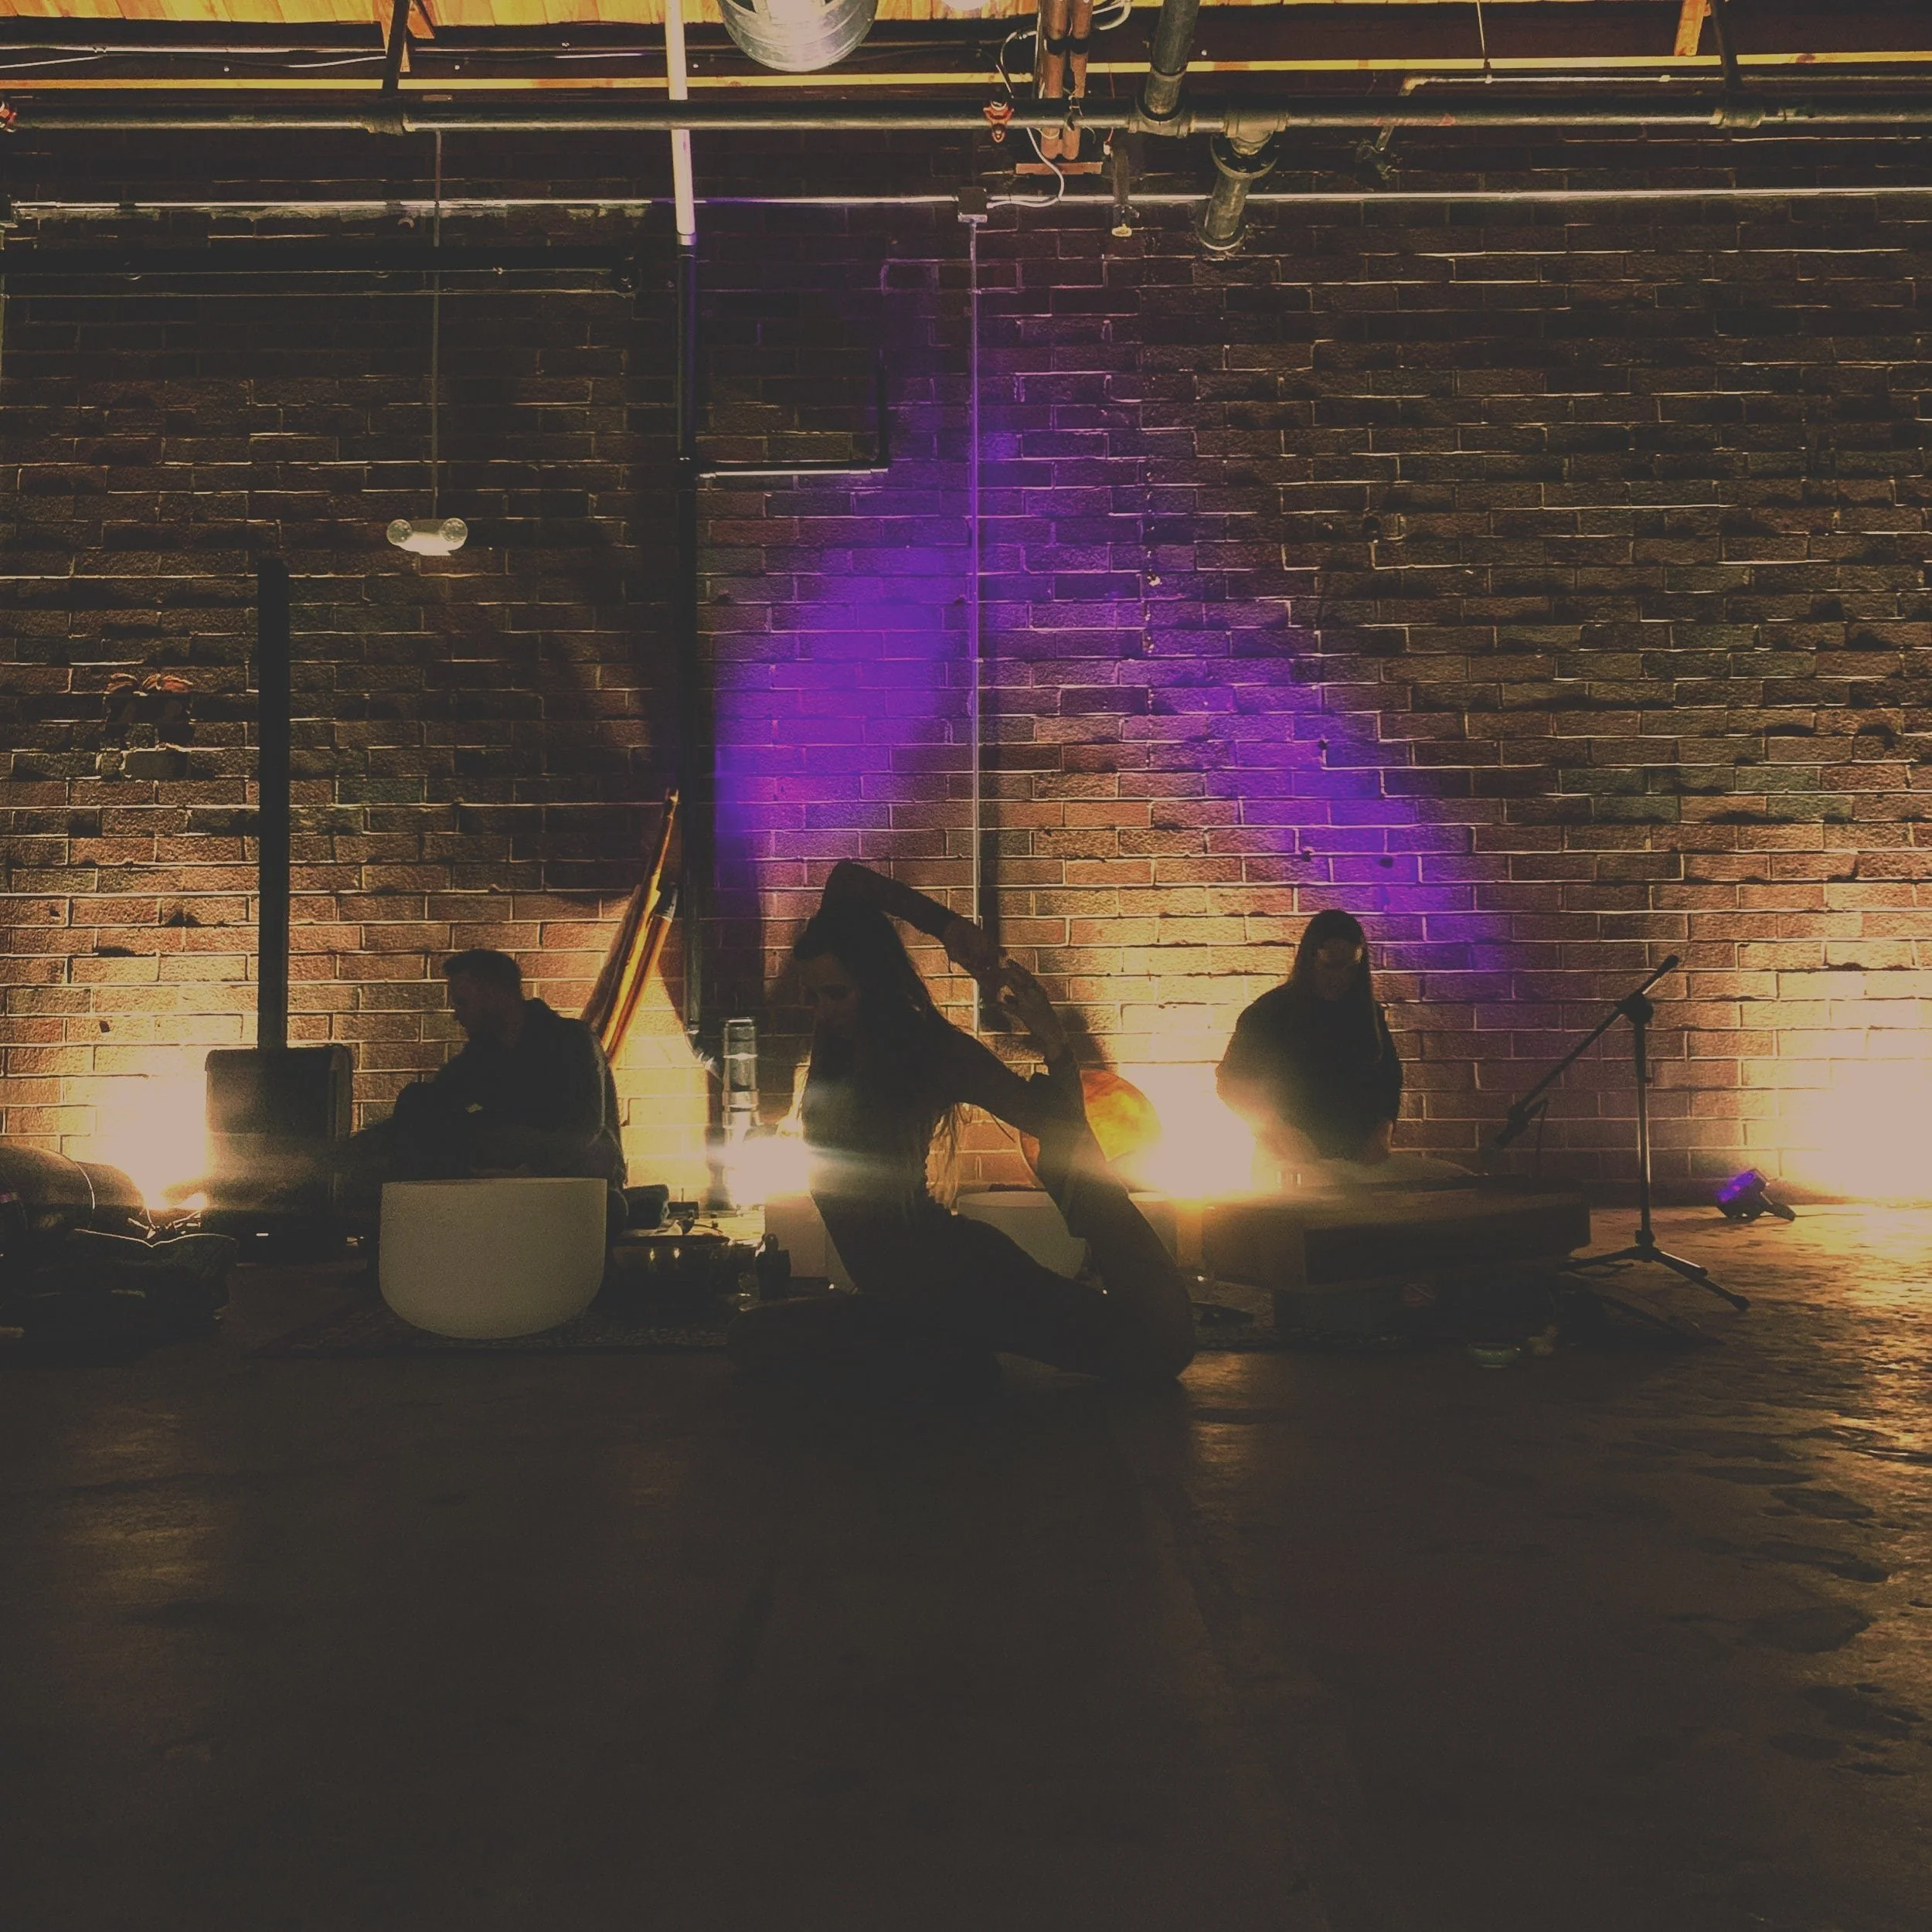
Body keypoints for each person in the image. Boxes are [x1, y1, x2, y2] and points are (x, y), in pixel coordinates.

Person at [728, 862, 1195, 1387]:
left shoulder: (933, 1051)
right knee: (752, 1341)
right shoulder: (836, 1042)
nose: (823, 1011)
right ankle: (946, 1356)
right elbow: (845, 881)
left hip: (962, 1278)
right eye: (812, 996)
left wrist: (1054, 1043)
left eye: (836, 994)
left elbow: (1053, 1124)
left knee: (1156, 1347)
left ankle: (952, 1355)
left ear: (874, 983)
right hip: (900, 1295)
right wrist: (947, 927)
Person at [340, 948, 627, 1233]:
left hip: (577, 1180)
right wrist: (349, 1153)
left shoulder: (572, 1041)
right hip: (510, 1172)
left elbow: (584, 1129)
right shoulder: (483, 1056)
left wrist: (528, 1173)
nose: (457, 1015)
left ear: (494, 994)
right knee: (419, 1102)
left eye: (462, 1002)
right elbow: (427, 1108)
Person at [1216, 909, 1458, 1189]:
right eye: (1331, 965)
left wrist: (1383, 1129)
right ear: (1310, 959)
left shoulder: (1366, 1015)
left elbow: (1390, 1080)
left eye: (1351, 968)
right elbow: (1231, 1083)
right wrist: (1277, 1129)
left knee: (1458, 1182)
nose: (1340, 978)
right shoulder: (1270, 1013)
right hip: (1289, 1166)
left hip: (1358, 1164)